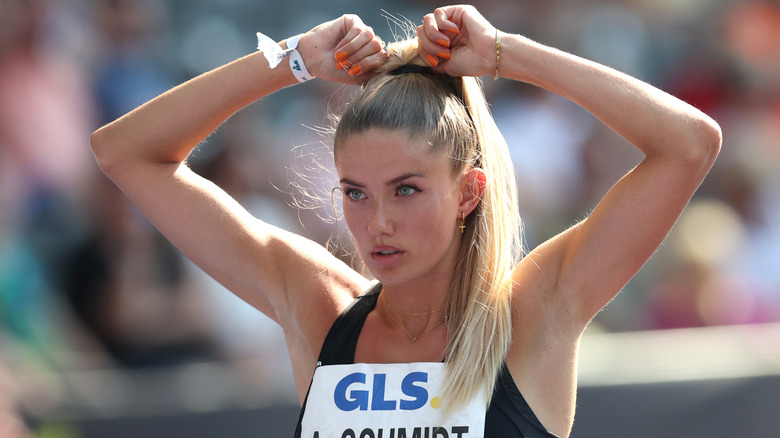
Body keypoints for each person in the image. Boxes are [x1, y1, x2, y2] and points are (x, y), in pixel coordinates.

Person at [89, 5, 721, 437]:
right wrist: (294, 60)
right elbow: (123, 153)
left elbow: (690, 143)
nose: (378, 222)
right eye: (356, 193)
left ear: (470, 191)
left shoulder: (536, 311)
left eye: (408, 190)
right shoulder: (320, 307)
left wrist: (505, 54)